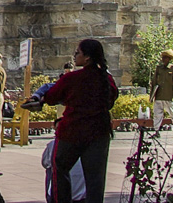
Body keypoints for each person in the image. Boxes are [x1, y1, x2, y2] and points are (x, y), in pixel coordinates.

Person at [33, 39, 119, 203]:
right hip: (99, 133)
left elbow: (52, 97)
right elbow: (111, 100)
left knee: (60, 169)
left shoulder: (72, 78)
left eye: (77, 52)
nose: (74, 56)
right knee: (95, 180)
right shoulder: (106, 79)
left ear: (87, 58)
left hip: (72, 132)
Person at [41, 133, 86, 202]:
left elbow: (45, 163)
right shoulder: (87, 145)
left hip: (60, 194)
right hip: (82, 195)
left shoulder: (54, 144)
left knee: (50, 168)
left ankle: (51, 194)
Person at [150, 50, 173, 136]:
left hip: (169, 96)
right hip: (159, 96)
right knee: (157, 114)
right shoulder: (159, 68)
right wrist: (151, 96)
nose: (163, 59)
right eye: (163, 58)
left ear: (169, 59)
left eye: (165, 58)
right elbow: (154, 82)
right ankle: (157, 131)